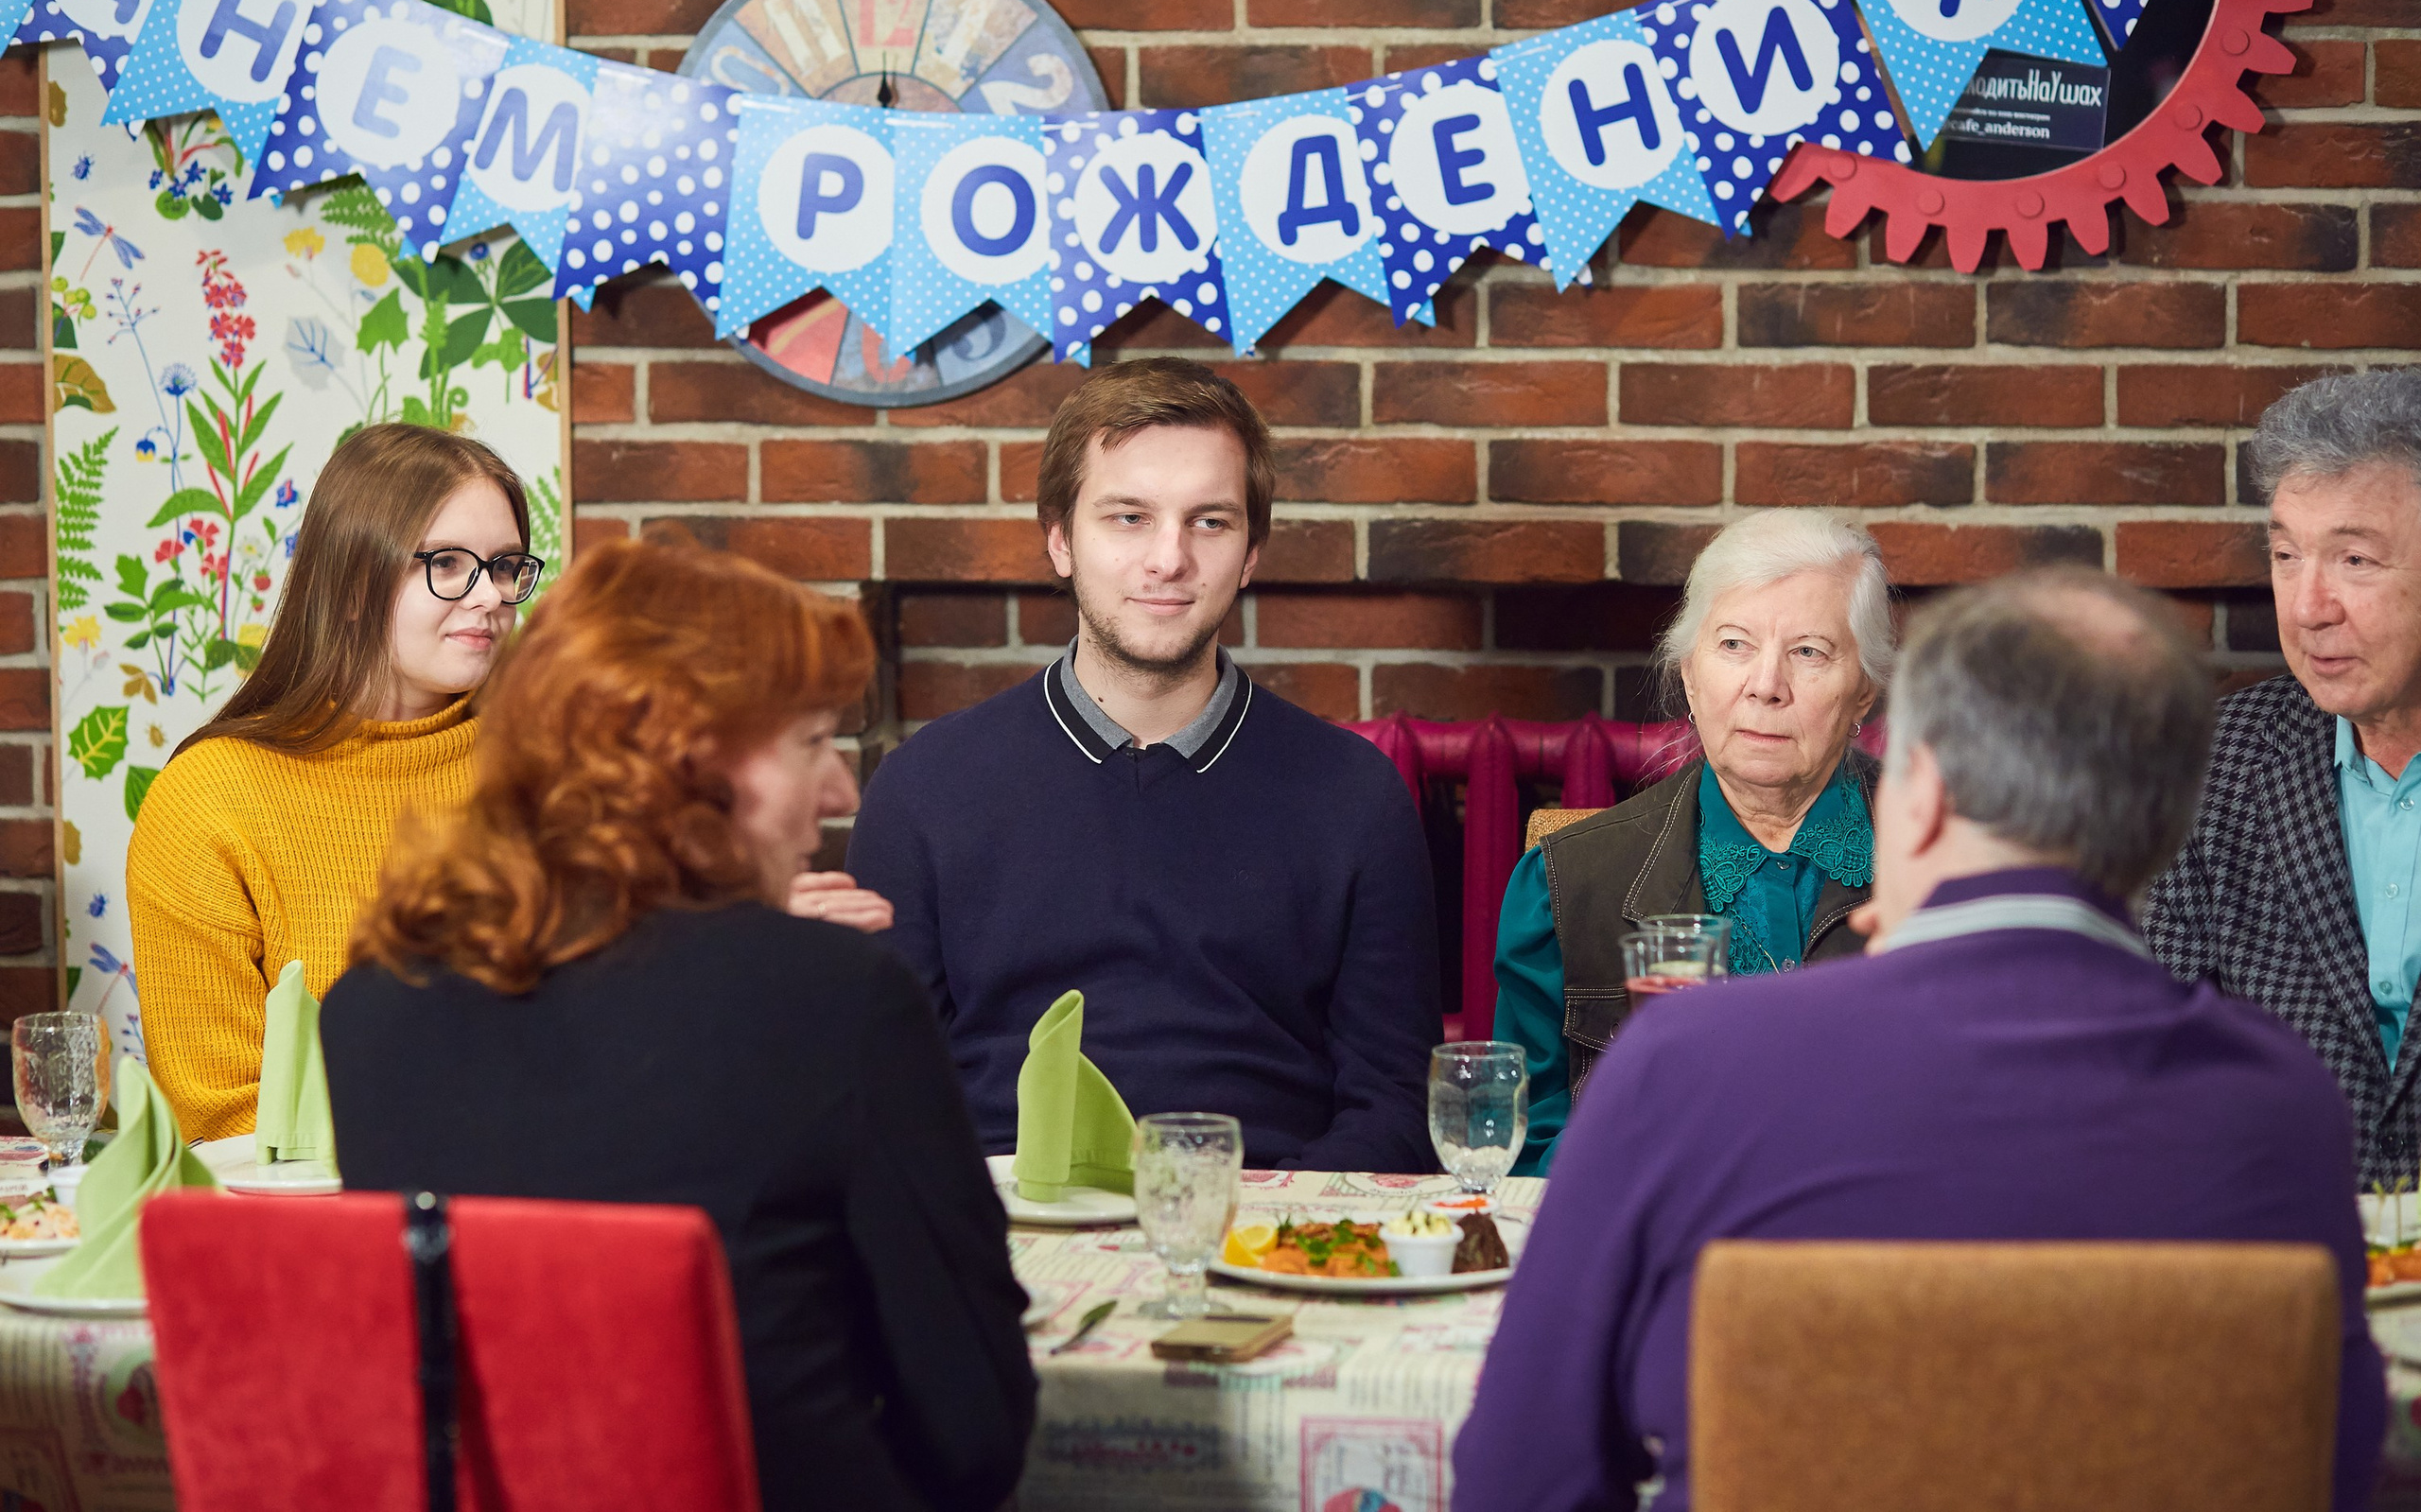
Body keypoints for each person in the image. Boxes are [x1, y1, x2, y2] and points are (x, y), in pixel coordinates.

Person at [1455, 568, 2385, 1512]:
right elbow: (2327, 1467)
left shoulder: (1681, 1060)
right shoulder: (2286, 1106)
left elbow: (1521, 1478)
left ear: (1925, 795)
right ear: (2164, 825)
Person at [327, 534, 1035, 1512]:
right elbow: (975, 1431)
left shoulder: (369, 1003)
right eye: (812, 743)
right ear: (688, 761)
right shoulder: (837, 999)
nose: (841, 794)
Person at [847, 357, 1439, 1173]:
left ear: (1252, 550)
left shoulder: (1356, 795)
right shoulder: (921, 788)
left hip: (1265, 1223)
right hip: (1004, 1221)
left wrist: (1262, 1222)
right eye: (1128, 517)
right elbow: (880, 1094)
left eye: (1210, 521)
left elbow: (1396, 1104)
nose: (1169, 559)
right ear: (1060, 538)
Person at [128, 423, 539, 1141]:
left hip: (550, 1201)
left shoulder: (553, 766)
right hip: (317, 1230)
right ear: (352, 584)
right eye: (447, 563)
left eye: (505, 566)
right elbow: (222, 1115)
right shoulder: (207, 801)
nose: (490, 596)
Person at [1494, 509, 1890, 1173]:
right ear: (1689, 674)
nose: (1766, 686)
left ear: (1863, 694)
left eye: (1809, 651)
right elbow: (1521, 1158)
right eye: (1734, 644)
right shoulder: (1567, 886)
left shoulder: (1954, 869)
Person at [2147, 368, 2421, 1185]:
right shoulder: (2211, 765)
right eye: (2286, 555)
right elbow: (2159, 1065)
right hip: (2282, 1252)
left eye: (2355, 560)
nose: (2307, 605)